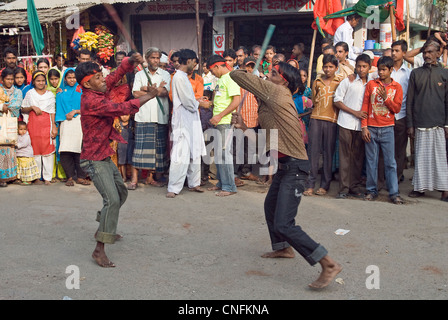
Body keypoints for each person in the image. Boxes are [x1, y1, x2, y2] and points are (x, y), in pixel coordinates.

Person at [230, 62, 342, 289]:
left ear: (284, 81)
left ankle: (328, 263)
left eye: (272, 73)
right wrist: (243, 128)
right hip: (285, 166)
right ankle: (283, 248)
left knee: (284, 223)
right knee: (270, 207)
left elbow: (235, 75)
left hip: (296, 168)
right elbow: (265, 143)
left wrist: (247, 72)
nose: (268, 76)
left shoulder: (277, 92)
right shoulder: (272, 104)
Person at [75, 52, 159, 268]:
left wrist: (130, 61)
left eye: (101, 76)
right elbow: (121, 109)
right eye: (98, 78)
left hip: (103, 155)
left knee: (120, 194)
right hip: (94, 159)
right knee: (112, 200)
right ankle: (99, 249)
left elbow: (115, 75)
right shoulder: (91, 100)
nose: (104, 79)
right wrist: (150, 95)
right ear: (88, 83)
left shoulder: (98, 89)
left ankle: (104, 226)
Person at [406, 40, 448, 202]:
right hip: (420, 123)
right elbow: (409, 101)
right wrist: (410, 124)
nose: (427, 55)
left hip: (438, 123)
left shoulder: (444, 74)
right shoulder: (416, 73)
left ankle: (444, 190)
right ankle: (420, 188)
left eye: (430, 52)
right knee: (421, 159)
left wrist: (446, 124)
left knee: (440, 159)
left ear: (438, 53)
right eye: (425, 52)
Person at [166, 49, 211, 198]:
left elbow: (190, 100)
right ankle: (173, 187)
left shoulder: (183, 77)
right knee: (181, 152)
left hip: (191, 119)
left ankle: (194, 183)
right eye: (194, 62)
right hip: (183, 120)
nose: (196, 65)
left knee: (195, 151)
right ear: (189, 61)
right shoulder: (179, 77)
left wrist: (197, 101)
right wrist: (201, 105)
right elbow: (187, 101)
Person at [361, 56, 404, 204]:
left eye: (384, 70)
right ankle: (371, 190)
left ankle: (394, 192)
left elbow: (396, 108)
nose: (381, 72)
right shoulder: (372, 84)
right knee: (371, 162)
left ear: (391, 70)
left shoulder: (397, 87)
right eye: (379, 69)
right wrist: (364, 126)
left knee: (390, 162)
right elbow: (365, 105)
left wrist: (386, 98)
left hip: (387, 128)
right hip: (371, 128)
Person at [129, 47, 171, 190]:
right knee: (140, 148)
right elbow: (135, 93)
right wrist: (152, 90)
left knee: (158, 150)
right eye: (153, 58)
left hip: (160, 116)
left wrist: (146, 89)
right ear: (147, 59)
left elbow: (165, 92)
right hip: (143, 116)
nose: (155, 60)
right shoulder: (140, 74)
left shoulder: (165, 74)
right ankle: (134, 179)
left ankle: (150, 178)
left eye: (158, 58)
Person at [333, 54, 372, 199]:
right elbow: (337, 100)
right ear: (355, 66)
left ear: (369, 67)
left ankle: (354, 187)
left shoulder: (372, 83)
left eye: (364, 67)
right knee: (345, 157)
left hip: (362, 126)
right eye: (359, 66)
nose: (361, 69)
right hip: (346, 123)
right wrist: (354, 112)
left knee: (357, 158)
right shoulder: (347, 81)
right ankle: (343, 188)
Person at [304, 55, 342, 196]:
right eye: (325, 66)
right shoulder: (317, 81)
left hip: (331, 120)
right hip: (316, 118)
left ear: (336, 68)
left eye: (331, 67)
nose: (328, 69)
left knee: (328, 153)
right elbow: (314, 99)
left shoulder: (340, 81)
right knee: (313, 152)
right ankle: (310, 184)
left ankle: (325, 184)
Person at [206, 55, 241, 196]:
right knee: (220, 154)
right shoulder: (221, 80)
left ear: (217, 66)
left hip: (224, 121)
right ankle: (222, 183)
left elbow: (236, 101)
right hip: (219, 121)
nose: (212, 73)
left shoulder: (231, 78)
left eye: (212, 70)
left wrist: (220, 115)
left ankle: (229, 186)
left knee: (224, 154)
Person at [21, 71, 58, 185]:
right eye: (38, 81)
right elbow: (23, 109)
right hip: (33, 123)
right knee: (35, 149)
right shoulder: (30, 94)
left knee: (47, 149)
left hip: (46, 123)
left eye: (42, 81)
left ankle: (47, 177)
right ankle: (36, 176)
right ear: (34, 82)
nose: (40, 83)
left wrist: (54, 127)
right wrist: (32, 107)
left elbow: (52, 112)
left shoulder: (50, 95)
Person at [55, 68, 89, 187]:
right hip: (65, 123)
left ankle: (80, 176)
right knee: (66, 150)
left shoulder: (82, 91)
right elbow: (58, 109)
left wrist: (75, 111)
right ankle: (69, 176)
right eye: (69, 77)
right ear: (65, 78)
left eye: (74, 77)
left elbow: (88, 107)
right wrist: (57, 125)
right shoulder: (60, 93)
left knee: (79, 150)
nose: (72, 80)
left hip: (79, 122)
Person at [234, 57, 260, 183]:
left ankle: (246, 172)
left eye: (252, 66)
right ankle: (234, 174)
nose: (249, 69)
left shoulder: (257, 82)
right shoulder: (236, 81)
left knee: (249, 148)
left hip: (252, 119)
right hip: (239, 119)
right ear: (243, 66)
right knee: (236, 148)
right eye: (247, 66)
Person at [390, 40, 411, 182]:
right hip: (385, 116)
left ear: (404, 53)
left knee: (400, 150)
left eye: (397, 51)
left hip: (401, 115)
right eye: (392, 50)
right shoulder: (386, 70)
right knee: (385, 150)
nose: (393, 53)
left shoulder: (409, 74)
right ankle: (385, 178)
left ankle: (396, 178)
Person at [0, 67, 22, 187]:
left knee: (11, 148)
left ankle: (11, 176)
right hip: (1, 123)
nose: (10, 81)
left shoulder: (17, 91)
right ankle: (1, 178)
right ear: (2, 79)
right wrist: (1, 106)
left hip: (11, 123)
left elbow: (17, 104)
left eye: (11, 79)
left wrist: (4, 106)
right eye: (7, 79)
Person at [16, 121, 41, 185]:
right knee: (22, 169)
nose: (23, 131)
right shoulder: (17, 136)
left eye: (24, 129)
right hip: (20, 155)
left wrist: (16, 144)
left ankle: (29, 180)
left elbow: (24, 144)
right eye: (21, 129)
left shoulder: (27, 136)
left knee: (27, 169)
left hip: (26, 155)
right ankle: (21, 179)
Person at [116, 114, 135, 182]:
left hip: (131, 144)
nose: (124, 117)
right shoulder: (118, 124)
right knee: (122, 162)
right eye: (122, 115)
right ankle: (124, 177)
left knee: (131, 161)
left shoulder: (132, 124)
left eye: (126, 115)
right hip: (121, 145)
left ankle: (133, 177)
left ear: (130, 115)